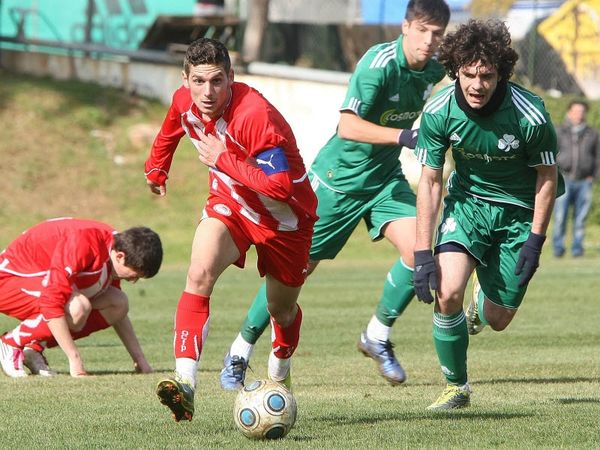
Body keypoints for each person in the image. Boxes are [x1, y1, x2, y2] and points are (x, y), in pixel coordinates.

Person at [219, 0, 451, 391]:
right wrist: (405, 136)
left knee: (422, 251)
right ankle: (240, 351)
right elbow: (347, 126)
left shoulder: (434, 68)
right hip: (337, 182)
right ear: (406, 26)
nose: (429, 41)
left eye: (437, 34)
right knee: (293, 276)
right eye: (423, 30)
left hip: (384, 179)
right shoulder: (378, 65)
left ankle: (376, 335)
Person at [144, 38, 317, 422]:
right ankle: (184, 385)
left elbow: (281, 187)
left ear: (231, 78)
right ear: (186, 79)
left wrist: (224, 158)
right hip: (231, 206)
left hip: (285, 222)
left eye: (217, 81)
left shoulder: (254, 115)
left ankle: (278, 374)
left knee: (281, 309)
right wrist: (156, 167)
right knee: (198, 272)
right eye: (199, 81)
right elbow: (172, 126)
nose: (208, 92)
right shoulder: (183, 101)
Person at [412, 19, 564, 409]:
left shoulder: (529, 115)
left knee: (498, 320)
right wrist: (421, 253)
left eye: (486, 75)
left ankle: (483, 303)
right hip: (468, 207)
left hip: (518, 214)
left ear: (501, 74)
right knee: (447, 293)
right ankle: (456, 386)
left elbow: (547, 177)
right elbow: (430, 182)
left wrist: (535, 240)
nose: (476, 85)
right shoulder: (439, 110)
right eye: (468, 74)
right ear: (455, 71)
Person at [0, 217, 163, 378]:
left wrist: (139, 359)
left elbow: (118, 315)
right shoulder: (84, 243)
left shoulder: (113, 248)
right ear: (120, 256)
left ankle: (34, 348)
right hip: (7, 280)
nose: (133, 281)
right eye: (133, 275)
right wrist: (74, 358)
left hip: (39, 280)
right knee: (78, 307)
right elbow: (51, 301)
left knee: (118, 303)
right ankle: (11, 342)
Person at [552, 100, 600, 258]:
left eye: (582, 111)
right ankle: (558, 249)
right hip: (564, 179)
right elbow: (551, 154)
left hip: (584, 181)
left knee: (581, 218)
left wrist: (593, 176)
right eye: (576, 111)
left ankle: (577, 249)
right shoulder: (559, 131)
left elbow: (598, 157)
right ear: (569, 112)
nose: (579, 114)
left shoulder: (592, 134)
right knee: (560, 216)